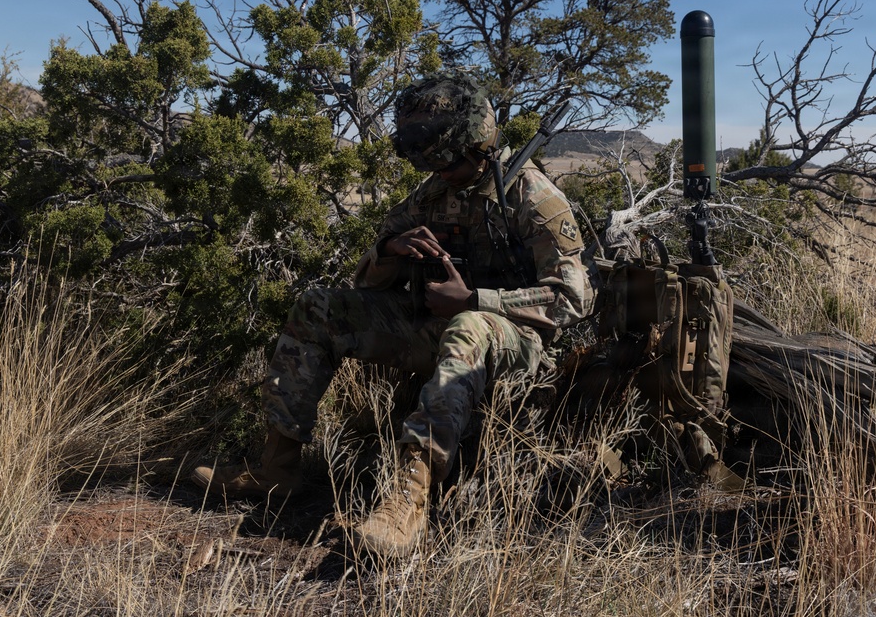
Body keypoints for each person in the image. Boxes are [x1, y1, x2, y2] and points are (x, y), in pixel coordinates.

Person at [192, 72, 595, 557]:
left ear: (477, 145)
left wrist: (473, 302)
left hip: (514, 342)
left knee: (467, 327)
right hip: (434, 328)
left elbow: (573, 300)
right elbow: (367, 282)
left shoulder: (534, 198)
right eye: (429, 160)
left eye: (445, 159)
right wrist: (391, 248)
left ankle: (409, 503)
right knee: (318, 306)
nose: (439, 170)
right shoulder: (431, 195)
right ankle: (277, 468)